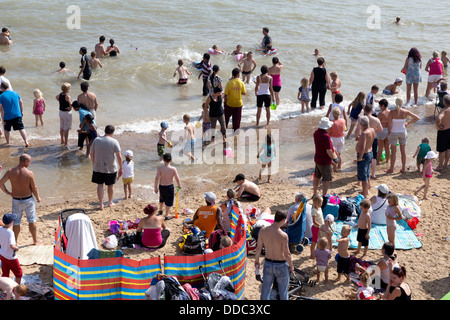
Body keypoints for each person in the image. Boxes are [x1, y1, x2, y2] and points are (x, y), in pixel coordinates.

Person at [0, 154, 41, 245]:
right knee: (31, 220)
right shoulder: (29, 173)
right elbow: (34, 188)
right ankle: (35, 241)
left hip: (16, 200)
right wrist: (38, 198)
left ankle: (15, 241)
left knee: (16, 221)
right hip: (28, 200)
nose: (30, 163)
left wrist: (8, 192)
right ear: (25, 161)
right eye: (29, 161)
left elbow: (1, 183)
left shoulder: (10, 171)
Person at [255, 210, 293, 300]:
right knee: (283, 292)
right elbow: (287, 253)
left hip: (268, 262)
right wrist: (291, 266)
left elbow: (258, 248)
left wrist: (257, 260)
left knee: (265, 291)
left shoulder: (263, 230)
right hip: (281, 264)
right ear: (283, 220)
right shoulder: (283, 235)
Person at [90, 125, 123, 210]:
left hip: (98, 167)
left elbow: (92, 153)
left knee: (100, 185)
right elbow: (119, 156)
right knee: (110, 185)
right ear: (112, 133)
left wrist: (94, 163)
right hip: (111, 168)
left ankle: (101, 204)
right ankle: (110, 202)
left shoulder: (96, 140)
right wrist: (121, 168)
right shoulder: (114, 141)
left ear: (104, 131)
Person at [386, 98, 420, 173]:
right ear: (402, 103)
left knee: (393, 152)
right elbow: (417, 118)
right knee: (403, 151)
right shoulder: (405, 111)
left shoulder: (392, 112)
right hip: (402, 132)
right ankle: (403, 168)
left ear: (395, 103)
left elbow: (389, 124)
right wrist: (408, 123)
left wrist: (388, 132)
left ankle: (391, 169)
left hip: (393, 132)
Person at [355, 103, 383, 179]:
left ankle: (359, 173)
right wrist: (374, 129)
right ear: (372, 110)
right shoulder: (376, 119)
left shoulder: (361, 118)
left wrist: (356, 136)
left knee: (361, 154)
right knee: (373, 156)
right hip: (373, 137)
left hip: (363, 137)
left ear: (364, 110)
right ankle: (373, 174)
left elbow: (357, 129)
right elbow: (381, 130)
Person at [313, 117, 338, 196]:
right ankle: (324, 195)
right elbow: (329, 151)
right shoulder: (326, 137)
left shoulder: (316, 133)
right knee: (325, 180)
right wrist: (335, 158)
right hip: (325, 161)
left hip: (317, 159)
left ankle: (315, 193)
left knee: (317, 177)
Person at [0, 82, 30, 147]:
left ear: (2, 88)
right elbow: (21, 102)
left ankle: (7, 142)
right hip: (17, 115)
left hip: (7, 116)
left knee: (6, 129)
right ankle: (26, 141)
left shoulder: (1, 96)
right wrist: (22, 111)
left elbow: (0, 107)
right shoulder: (15, 93)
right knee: (21, 128)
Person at [154, 153, 182, 220]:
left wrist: (155, 187)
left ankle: (160, 210)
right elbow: (177, 178)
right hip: (169, 187)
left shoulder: (160, 168)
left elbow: (157, 178)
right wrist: (179, 185)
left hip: (162, 186)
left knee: (162, 199)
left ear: (163, 160)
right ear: (171, 160)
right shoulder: (173, 169)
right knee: (168, 201)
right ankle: (166, 215)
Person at [355, 115, 376, 198]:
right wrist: (360, 138)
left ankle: (365, 193)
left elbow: (362, 147)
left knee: (363, 176)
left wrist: (359, 158)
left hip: (364, 155)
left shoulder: (364, 133)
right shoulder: (372, 130)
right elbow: (369, 140)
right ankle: (366, 189)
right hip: (370, 152)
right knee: (367, 172)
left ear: (361, 124)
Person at [0, 213, 22, 285]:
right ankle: (16, 288)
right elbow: (12, 246)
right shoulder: (10, 233)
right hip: (11, 257)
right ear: (11, 222)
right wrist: (17, 248)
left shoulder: (0, 229)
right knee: (19, 273)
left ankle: (4, 288)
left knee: (5, 273)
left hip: (2, 254)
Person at [435, 94, 450, 170]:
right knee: (448, 148)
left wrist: (439, 125)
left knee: (442, 150)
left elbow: (438, 119)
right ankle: (446, 164)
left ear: (444, 102)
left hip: (443, 131)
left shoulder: (444, 110)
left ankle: (440, 166)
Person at [55, 82, 72, 147]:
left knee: (61, 127)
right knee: (66, 128)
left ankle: (62, 140)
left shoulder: (60, 94)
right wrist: (70, 107)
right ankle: (66, 142)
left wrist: (60, 101)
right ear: (68, 89)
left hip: (61, 112)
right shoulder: (67, 96)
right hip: (66, 113)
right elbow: (71, 103)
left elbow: (56, 97)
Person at [376, 99, 391, 164]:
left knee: (380, 147)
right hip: (388, 130)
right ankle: (387, 161)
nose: (379, 107)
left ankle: (378, 161)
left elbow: (376, 123)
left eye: (380, 106)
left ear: (383, 105)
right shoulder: (391, 112)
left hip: (382, 130)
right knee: (387, 147)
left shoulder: (381, 114)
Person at [309, 195, 324, 259]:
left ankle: (317, 253)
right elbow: (314, 221)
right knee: (314, 242)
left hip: (320, 228)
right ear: (316, 203)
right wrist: (320, 225)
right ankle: (312, 254)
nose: (321, 204)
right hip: (316, 228)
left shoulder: (319, 208)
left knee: (319, 241)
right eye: (320, 203)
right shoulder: (314, 210)